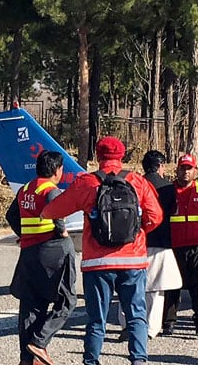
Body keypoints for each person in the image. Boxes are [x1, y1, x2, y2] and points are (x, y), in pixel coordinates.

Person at [41, 137, 163, 365]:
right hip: (133, 261)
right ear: (123, 155)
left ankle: (91, 361)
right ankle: (139, 360)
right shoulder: (136, 181)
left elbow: (53, 211)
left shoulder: (87, 182)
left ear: (97, 156)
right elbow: (156, 216)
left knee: (97, 319)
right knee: (136, 315)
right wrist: (137, 232)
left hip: (97, 262)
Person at [6, 151, 77, 365]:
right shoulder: (51, 191)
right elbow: (57, 215)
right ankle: (39, 342)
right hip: (52, 251)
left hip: (29, 252)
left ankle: (26, 359)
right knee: (67, 300)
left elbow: (11, 216)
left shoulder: (26, 189)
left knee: (30, 305)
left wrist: (25, 234)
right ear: (57, 170)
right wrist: (62, 231)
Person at [118, 150, 182, 339]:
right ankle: (150, 329)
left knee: (128, 285)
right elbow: (173, 211)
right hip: (160, 242)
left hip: (132, 242)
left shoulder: (133, 184)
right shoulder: (168, 188)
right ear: (161, 166)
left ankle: (126, 325)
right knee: (155, 290)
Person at [162, 154, 198, 335]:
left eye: (189, 169)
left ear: (195, 171)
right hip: (174, 248)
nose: (186, 172)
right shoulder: (168, 192)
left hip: (197, 247)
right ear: (177, 170)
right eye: (182, 168)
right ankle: (168, 322)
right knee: (171, 286)